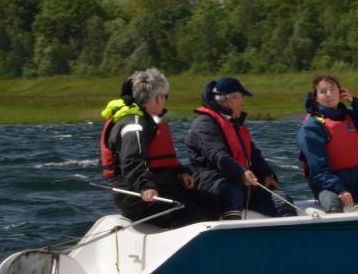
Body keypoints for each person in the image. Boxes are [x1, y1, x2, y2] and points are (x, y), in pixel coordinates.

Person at [100, 68, 217, 227]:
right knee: (194, 215)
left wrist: (181, 172)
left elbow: (158, 161)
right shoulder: (134, 125)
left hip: (161, 187)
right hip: (136, 196)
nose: (165, 102)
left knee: (212, 202)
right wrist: (145, 187)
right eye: (165, 97)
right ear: (157, 98)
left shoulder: (146, 121)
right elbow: (131, 161)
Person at [187, 76, 298, 219]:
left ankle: (289, 230)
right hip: (213, 182)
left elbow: (253, 154)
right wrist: (241, 173)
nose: (243, 101)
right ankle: (232, 228)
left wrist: (266, 175)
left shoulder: (235, 125)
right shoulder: (204, 124)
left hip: (240, 181)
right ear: (228, 100)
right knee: (232, 192)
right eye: (241, 97)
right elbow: (218, 156)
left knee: (283, 200)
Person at [296, 74, 358, 213]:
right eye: (323, 91)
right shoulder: (312, 127)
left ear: (340, 92)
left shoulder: (350, 117)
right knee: (333, 208)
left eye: (333, 89)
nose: (329, 94)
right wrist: (339, 189)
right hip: (328, 183)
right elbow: (318, 170)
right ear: (316, 98)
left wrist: (355, 102)